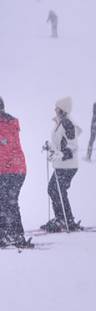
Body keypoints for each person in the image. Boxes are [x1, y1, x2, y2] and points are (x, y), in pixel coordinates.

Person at [42, 97, 82, 232]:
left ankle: (64, 219)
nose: (55, 109)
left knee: (56, 190)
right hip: (61, 165)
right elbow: (60, 143)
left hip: (68, 165)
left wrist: (62, 154)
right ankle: (64, 219)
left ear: (62, 109)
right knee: (55, 190)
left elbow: (73, 146)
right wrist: (51, 147)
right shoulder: (60, 122)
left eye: (57, 107)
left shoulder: (67, 123)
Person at [0, 98, 32, 248]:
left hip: (6, 170)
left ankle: (6, 234)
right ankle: (15, 234)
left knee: (5, 202)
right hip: (19, 169)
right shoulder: (11, 122)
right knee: (10, 201)